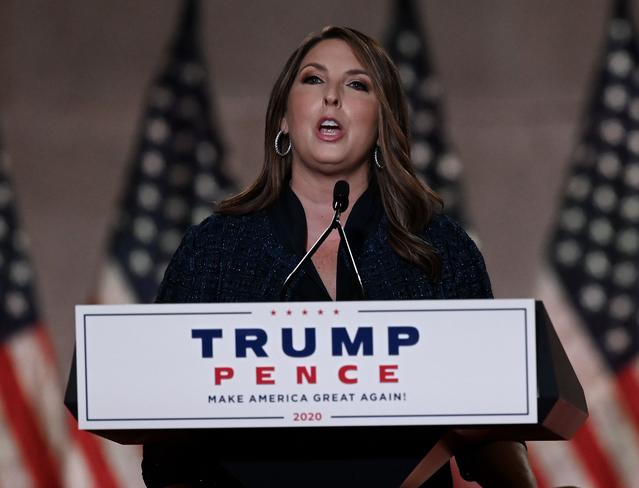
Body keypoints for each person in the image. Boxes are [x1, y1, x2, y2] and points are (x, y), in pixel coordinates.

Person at [142, 25, 536, 488]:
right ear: (284, 118)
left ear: (382, 122)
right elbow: (165, 449)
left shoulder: (441, 250)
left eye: (357, 84)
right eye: (313, 80)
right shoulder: (214, 251)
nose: (332, 97)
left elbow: (491, 427)